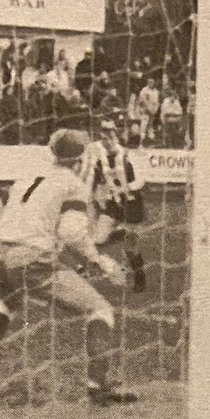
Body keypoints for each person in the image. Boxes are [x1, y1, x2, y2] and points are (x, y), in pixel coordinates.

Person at [0, 129, 137, 405]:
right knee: (100, 309)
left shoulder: (27, 177)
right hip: (30, 259)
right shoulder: (72, 185)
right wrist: (101, 261)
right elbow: (71, 234)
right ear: (80, 160)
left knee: (7, 304)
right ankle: (98, 384)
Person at [82, 119, 148, 293]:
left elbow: (141, 181)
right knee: (98, 239)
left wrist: (126, 187)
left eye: (110, 136)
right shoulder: (99, 159)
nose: (107, 141)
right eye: (104, 138)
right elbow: (92, 183)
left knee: (130, 248)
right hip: (113, 203)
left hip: (132, 203)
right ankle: (120, 233)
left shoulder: (128, 155)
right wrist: (90, 200)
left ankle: (140, 279)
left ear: (116, 136)